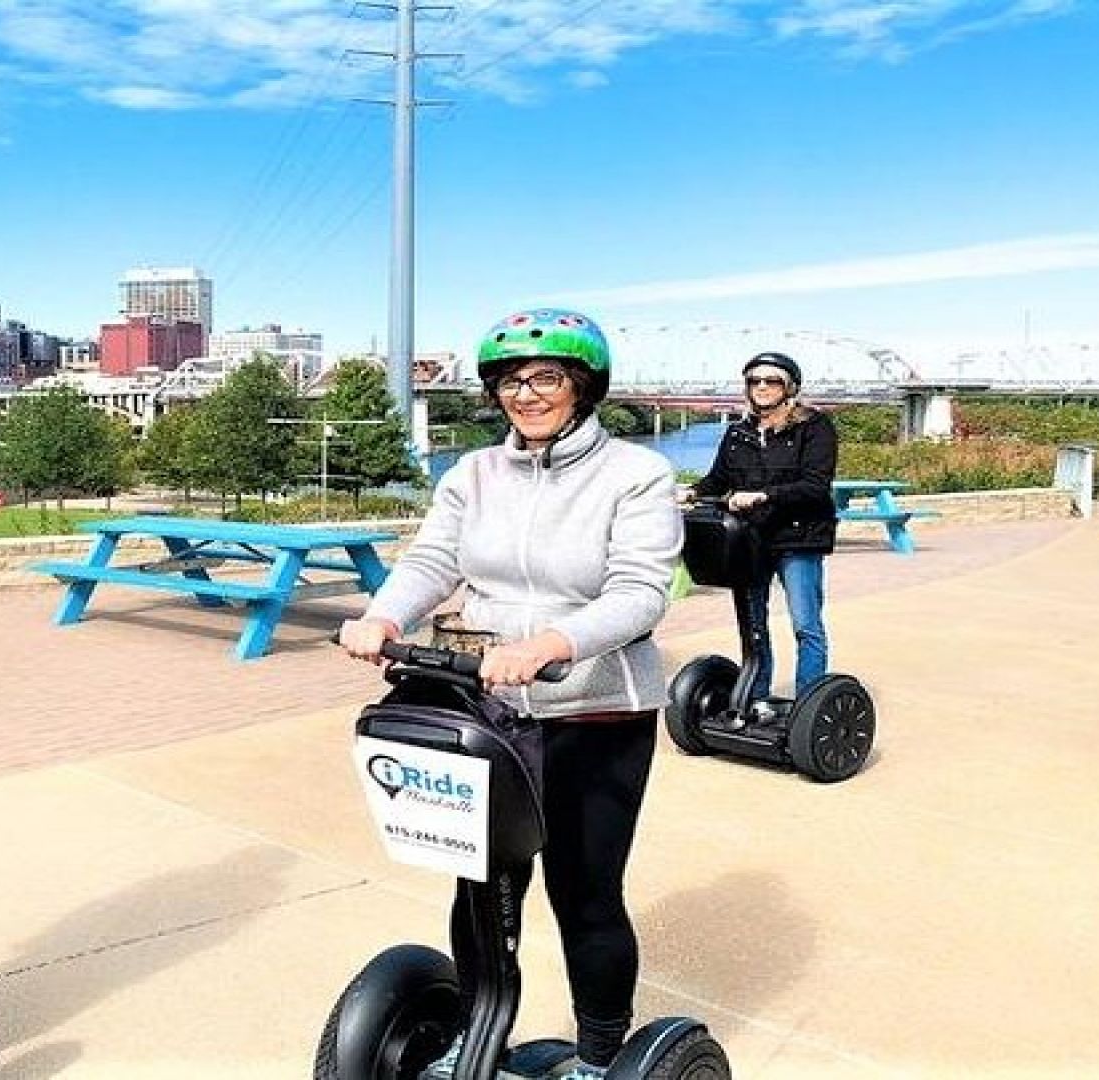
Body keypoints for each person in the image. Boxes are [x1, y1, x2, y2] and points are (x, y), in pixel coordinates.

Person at [338, 308, 682, 1080]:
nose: (525, 394)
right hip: (486, 709)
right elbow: (432, 558)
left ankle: (598, 1056)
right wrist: (383, 614)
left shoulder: (636, 474)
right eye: (509, 381)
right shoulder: (473, 473)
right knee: (483, 887)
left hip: (593, 710)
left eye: (546, 377)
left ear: (583, 386)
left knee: (584, 892)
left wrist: (550, 645)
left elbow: (640, 593)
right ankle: (475, 1037)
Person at [687, 351, 838, 708]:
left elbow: (816, 485)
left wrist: (764, 496)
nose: (762, 387)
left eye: (772, 381)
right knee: (753, 625)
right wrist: (691, 492)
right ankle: (757, 698)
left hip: (799, 537)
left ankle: (808, 705)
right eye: (755, 381)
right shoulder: (738, 432)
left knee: (806, 625)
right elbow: (718, 479)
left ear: (790, 387)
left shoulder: (814, 427)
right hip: (750, 539)